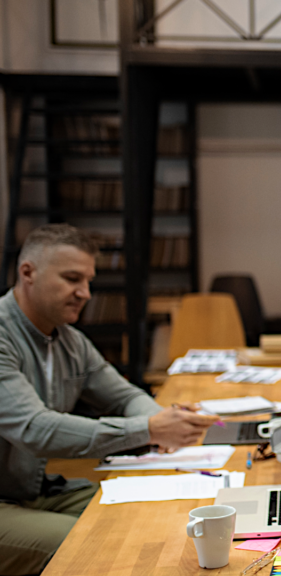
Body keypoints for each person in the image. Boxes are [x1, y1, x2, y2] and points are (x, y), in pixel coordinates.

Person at [0, 224, 220, 575]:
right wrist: (149, 429)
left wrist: (163, 423)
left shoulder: (70, 340)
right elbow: (36, 429)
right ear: (28, 272)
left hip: (35, 489)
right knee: (95, 542)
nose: (85, 293)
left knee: (149, 516)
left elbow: (124, 395)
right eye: (72, 279)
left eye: (88, 281)